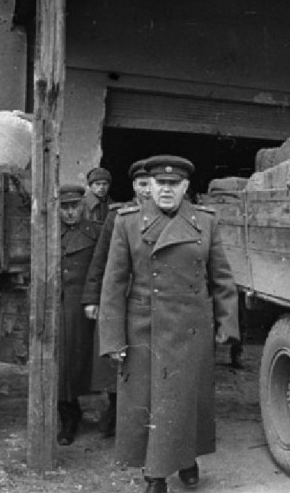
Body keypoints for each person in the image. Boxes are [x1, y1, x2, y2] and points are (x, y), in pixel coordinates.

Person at [99, 155, 239, 493]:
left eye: (173, 184)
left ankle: (187, 459)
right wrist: (112, 338)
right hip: (145, 326)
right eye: (160, 184)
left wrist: (227, 324)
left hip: (191, 326)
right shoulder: (128, 222)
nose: (165, 190)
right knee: (149, 401)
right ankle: (155, 475)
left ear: (185, 187)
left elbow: (221, 278)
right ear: (149, 186)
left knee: (186, 399)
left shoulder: (205, 222)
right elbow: (113, 284)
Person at [81, 159, 152, 437]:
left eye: (151, 184)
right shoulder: (118, 216)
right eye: (142, 184)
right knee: (116, 359)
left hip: (149, 299)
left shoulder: (167, 216)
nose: (147, 190)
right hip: (120, 297)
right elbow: (100, 259)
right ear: (134, 186)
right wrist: (92, 298)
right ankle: (114, 414)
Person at [58, 184, 102, 445]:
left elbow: (100, 269)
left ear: (83, 206)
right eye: (64, 207)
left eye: (74, 206)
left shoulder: (95, 232)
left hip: (85, 306)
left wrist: (92, 299)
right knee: (61, 365)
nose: (70, 212)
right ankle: (68, 417)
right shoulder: (50, 233)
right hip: (58, 305)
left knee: (91, 362)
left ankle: (108, 416)